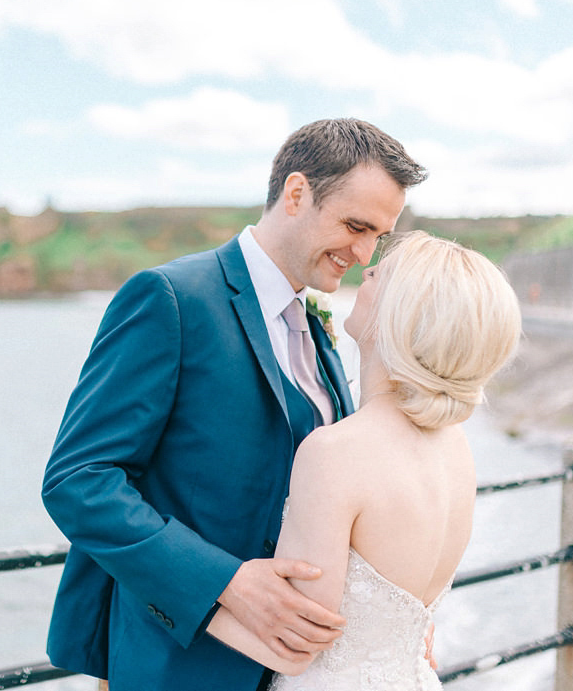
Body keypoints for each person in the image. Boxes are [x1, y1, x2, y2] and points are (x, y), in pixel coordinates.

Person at [41, 119, 427, 691]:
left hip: (300, 670)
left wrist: (393, 621)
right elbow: (78, 479)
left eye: (379, 236)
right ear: (296, 195)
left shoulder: (320, 332)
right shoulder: (171, 299)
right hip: (182, 665)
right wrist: (224, 581)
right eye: (355, 225)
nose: (366, 252)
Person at [207, 231, 522, 690]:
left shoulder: (334, 453)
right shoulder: (457, 446)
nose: (366, 266)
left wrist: (168, 592)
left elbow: (295, 642)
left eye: (381, 273)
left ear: (400, 314)